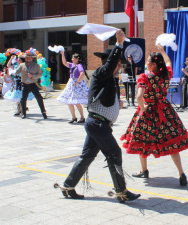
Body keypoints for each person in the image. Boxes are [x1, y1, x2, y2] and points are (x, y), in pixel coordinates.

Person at [56, 30, 140, 203]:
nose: (119, 67)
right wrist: (118, 43)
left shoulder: (107, 78)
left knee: (87, 156)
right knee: (114, 153)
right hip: (98, 125)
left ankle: (68, 186)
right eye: (117, 63)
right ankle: (121, 191)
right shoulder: (102, 72)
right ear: (112, 63)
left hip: (97, 124)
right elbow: (109, 65)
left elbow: (105, 97)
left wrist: (117, 104)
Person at [122, 45, 188, 186]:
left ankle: (144, 170)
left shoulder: (145, 77)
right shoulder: (166, 74)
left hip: (148, 112)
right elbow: (168, 63)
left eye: (148, 61)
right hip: (165, 111)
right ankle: (181, 173)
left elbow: (139, 97)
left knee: (143, 139)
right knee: (172, 141)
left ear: (153, 65)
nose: (146, 63)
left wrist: (143, 108)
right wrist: (162, 51)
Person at [58, 52, 89, 123]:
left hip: (76, 85)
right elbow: (64, 63)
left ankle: (82, 117)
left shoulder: (79, 66)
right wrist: (62, 54)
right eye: (72, 58)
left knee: (77, 101)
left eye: (73, 58)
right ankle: (74, 117)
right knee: (69, 101)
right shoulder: (72, 65)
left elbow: (82, 73)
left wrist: (77, 82)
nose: (72, 59)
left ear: (77, 59)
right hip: (71, 84)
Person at [18, 50, 47, 119]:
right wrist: (12, 72)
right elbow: (17, 71)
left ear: (32, 58)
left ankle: (43, 113)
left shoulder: (36, 65)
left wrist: (33, 75)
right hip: (25, 84)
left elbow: (40, 74)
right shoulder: (22, 65)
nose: (28, 59)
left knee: (39, 98)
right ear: (25, 58)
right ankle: (23, 113)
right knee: (23, 99)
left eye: (30, 57)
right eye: (27, 58)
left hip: (33, 84)